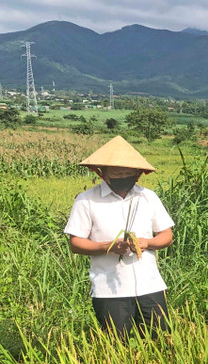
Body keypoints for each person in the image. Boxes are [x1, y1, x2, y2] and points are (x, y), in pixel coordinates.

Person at [64, 135, 174, 337]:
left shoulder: (148, 197)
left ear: (137, 174)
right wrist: (108, 247)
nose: (123, 177)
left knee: (160, 340)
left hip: (150, 285)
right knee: (116, 343)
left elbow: (167, 235)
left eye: (128, 173)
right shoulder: (86, 200)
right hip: (109, 289)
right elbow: (76, 243)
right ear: (103, 173)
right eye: (117, 173)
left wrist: (147, 243)